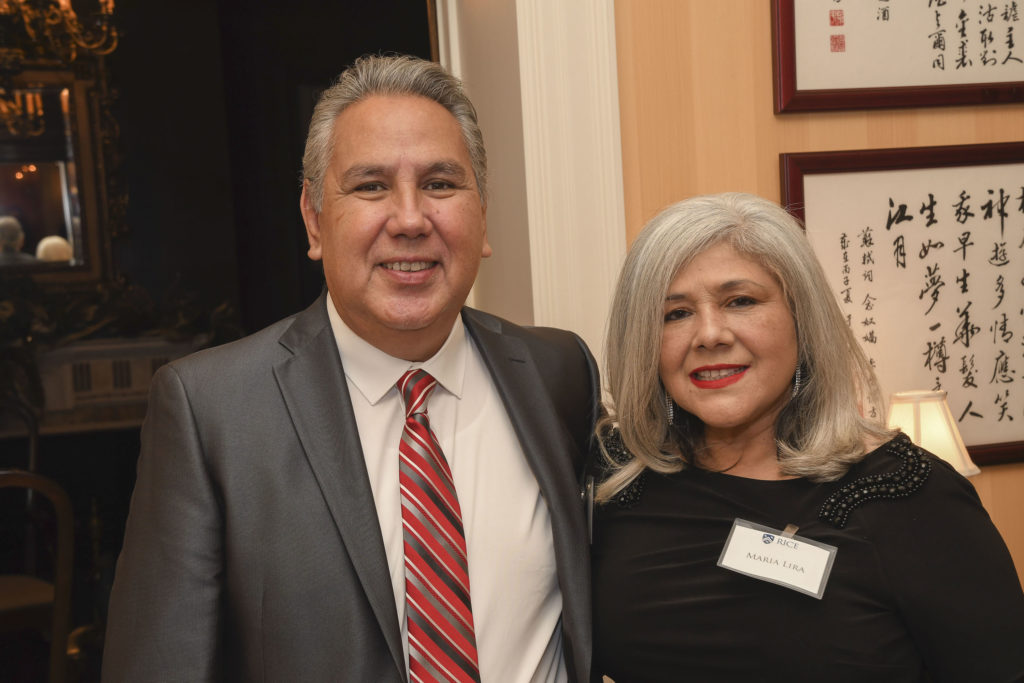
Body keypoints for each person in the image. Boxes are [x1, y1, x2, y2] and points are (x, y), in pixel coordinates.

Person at [103, 55, 599, 682]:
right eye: (370, 186)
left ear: (483, 214)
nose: (412, 219)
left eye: (441, 184)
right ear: (313, 219)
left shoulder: (559, 374)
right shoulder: (211, 410)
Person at [590, 192, 1024, 682]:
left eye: (740, 301)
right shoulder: (614, 483)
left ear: (803, 318)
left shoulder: (912, 497)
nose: (709, 334)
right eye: (676, 313)